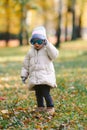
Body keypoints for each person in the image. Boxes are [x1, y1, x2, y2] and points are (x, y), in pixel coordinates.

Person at [21, 26, 59, 115]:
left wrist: (48, 44)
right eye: (34, 42)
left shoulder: (47, 49)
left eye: (39, 41)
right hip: (35, 77)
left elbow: (55, 55)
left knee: (46, 93)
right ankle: (40, 107)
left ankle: (50, 106)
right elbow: (26, 64)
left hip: (45, 76)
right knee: (38, 94)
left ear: (44, 41)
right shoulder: (30, 52)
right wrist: (24, 75)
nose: (36, 44)